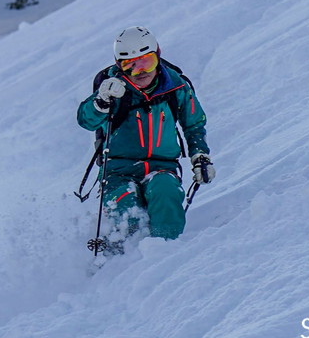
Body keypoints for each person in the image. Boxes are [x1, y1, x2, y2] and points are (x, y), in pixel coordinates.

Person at [76, 26, 214, 251]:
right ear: (120, 67)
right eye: (130, 66)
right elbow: (86, 120)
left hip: (162, 166)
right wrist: (101, 101)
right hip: (118, 170)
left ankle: (166, 252)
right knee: (125, 202)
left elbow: (194, 122)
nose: (140, 71)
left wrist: (200, 156)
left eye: (146, 62)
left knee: (165, 190)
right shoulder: (113, 89)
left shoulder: (176, 85)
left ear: (158, 56)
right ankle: (118, 261)